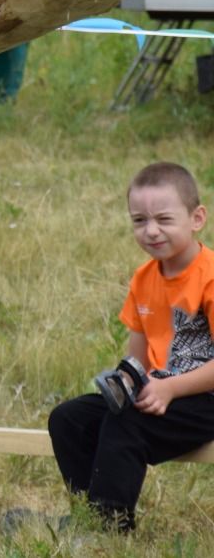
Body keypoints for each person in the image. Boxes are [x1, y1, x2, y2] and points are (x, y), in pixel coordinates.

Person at [44, 162, 214, 533]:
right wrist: (124, 380)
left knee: (128, 425)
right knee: (68, 419)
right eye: (139, 220)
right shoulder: (144, 278)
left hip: (205, 398)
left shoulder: (210, 276)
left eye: (164, 219)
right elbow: (138, 357)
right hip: (161, 391)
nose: (151, 231)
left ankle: (110, 527)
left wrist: (169, 388)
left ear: (196, 217)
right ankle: (89, 516)